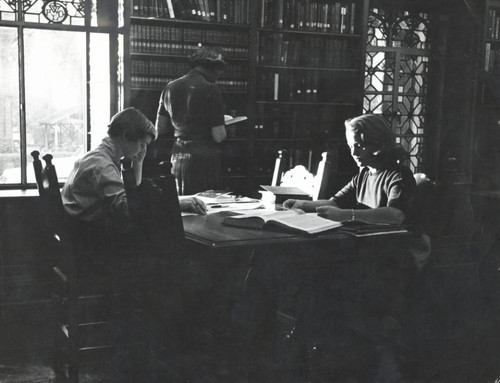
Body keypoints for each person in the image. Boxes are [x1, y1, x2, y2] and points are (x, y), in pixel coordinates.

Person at [61, 107, 206, 235]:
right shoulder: (102, 166)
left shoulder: (100, 157)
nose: (144, 150)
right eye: (143, 144)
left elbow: (131, 198)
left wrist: (138, 162)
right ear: (125, 136)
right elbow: (130, 211)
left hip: (82, 234)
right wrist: (175, 203)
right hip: (92, 242)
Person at [284, 113, 416, 225]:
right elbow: (335, 203)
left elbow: (396, 215)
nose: (353, 152)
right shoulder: (364, 174)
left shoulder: (399, 175)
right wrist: (302, 204)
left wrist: (346, 215)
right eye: (351, 146)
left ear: (378, 144)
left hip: (392, 244)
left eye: (358, 145)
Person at [155, 45, 227, 195]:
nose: (221, 73)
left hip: (178, 155)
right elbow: (218, 136)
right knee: (206, 207)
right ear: (211, 67)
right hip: (204, 157)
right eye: (220, 68)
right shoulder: (211, 89)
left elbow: (160, 128)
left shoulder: (170, 87)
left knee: (181, 204)